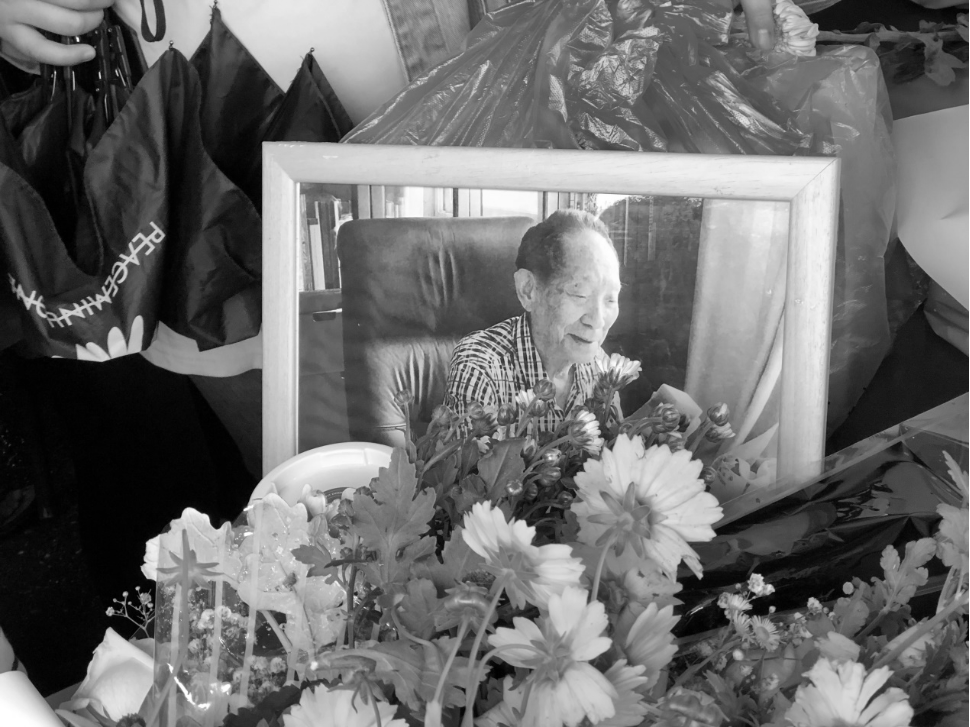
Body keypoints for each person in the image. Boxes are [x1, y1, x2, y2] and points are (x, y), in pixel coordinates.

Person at [446, 209, 622, 431]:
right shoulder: (480, 368)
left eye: (610, 299)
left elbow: (615, 448)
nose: (597, 321)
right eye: (580, 294)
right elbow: (470, 454)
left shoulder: (601, 369)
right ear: (528, 290)